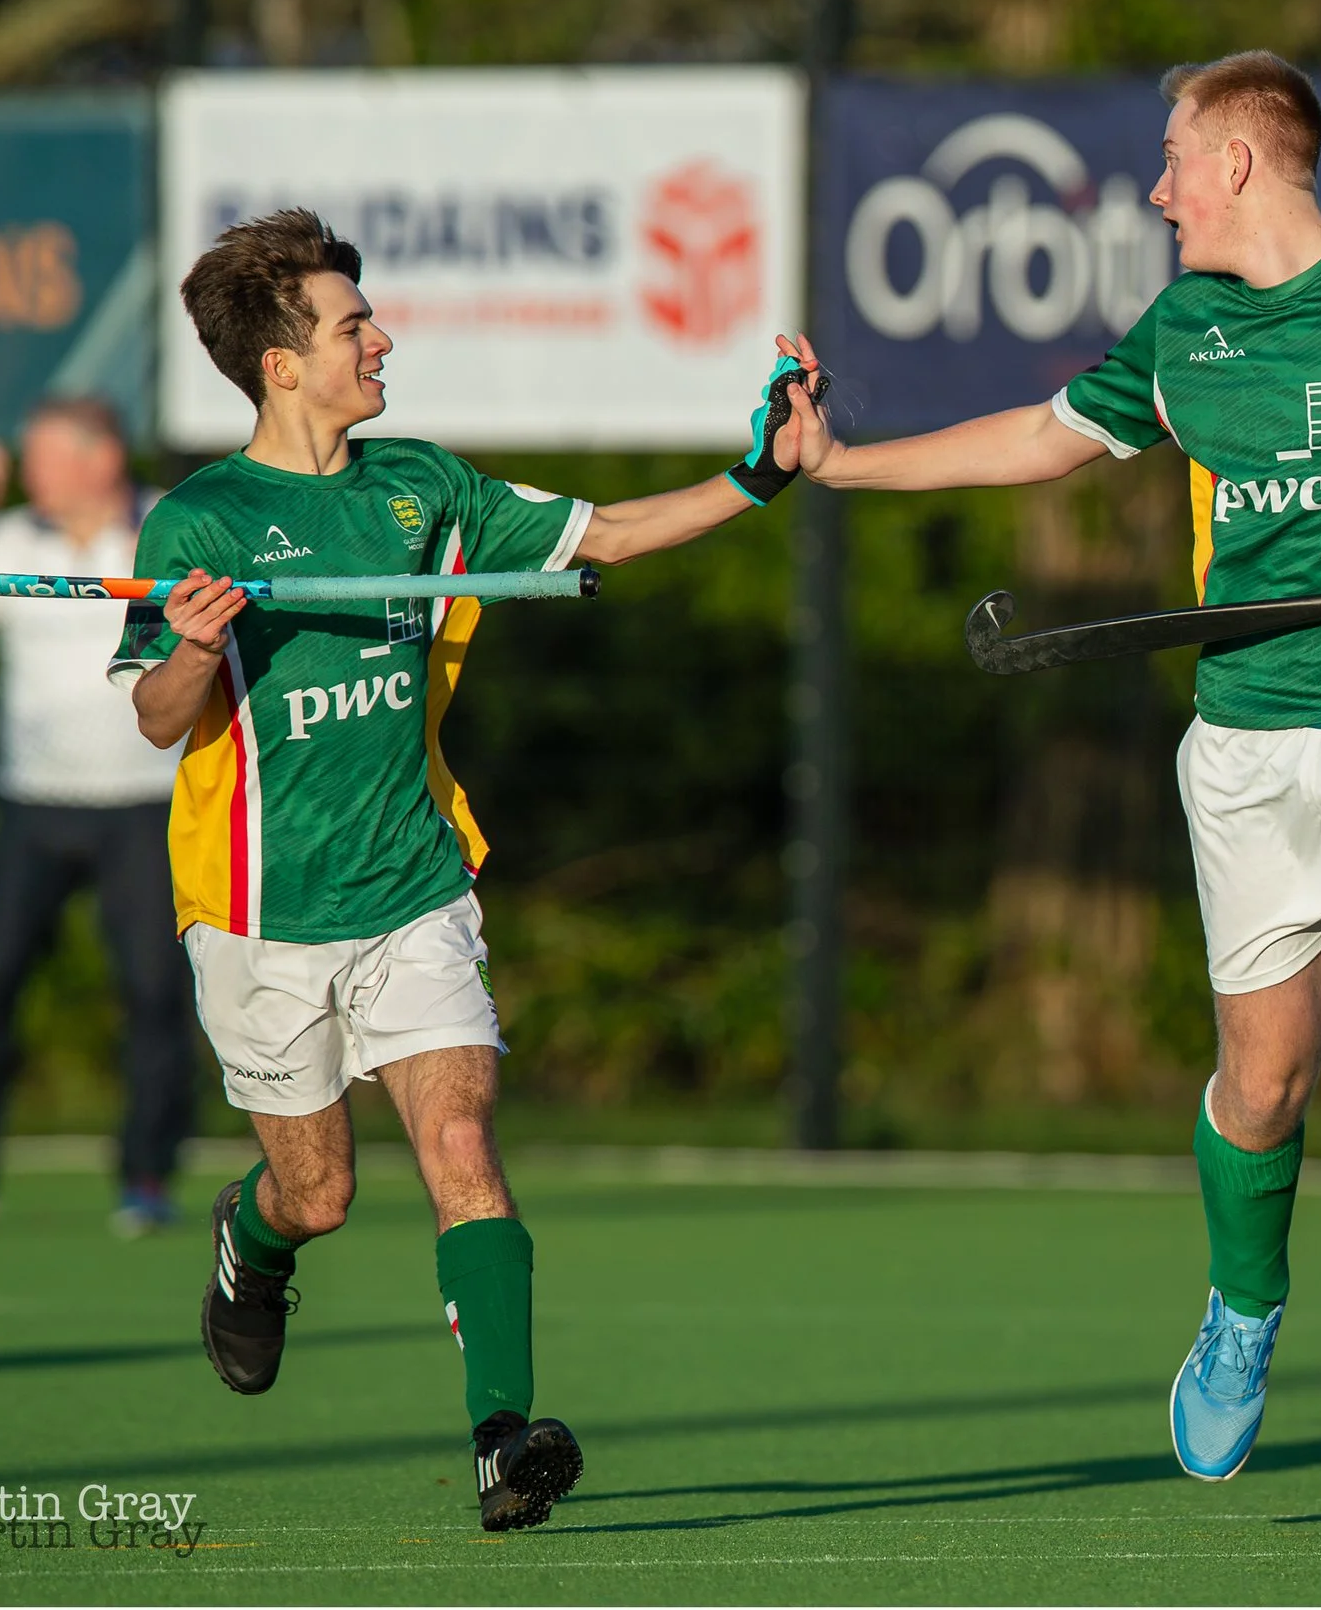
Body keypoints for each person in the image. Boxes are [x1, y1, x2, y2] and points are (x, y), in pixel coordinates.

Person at [781, 51, 1321, 1518]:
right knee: (1266, 1081)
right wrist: (842, 463)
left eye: (1176, 157)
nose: (1157, 186)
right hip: (1247, 740)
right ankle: (1244, 1309)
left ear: (1242, 162)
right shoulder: (1185, 325)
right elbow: (1042, 438)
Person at [109, 208, 811, 1533]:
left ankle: (504, 1438)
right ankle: (253, 1242)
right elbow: (157, 714)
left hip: (416, 888)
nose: (382, 339)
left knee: (463, 1141)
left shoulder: (422, 487)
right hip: (260, 914)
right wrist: (195, 644)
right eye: (351, 324)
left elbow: (604, 533)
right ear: (279, 361)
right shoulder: (200, 517)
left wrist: (759, 476)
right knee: (318, 1189)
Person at [0, 398, 196, 1238]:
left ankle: (147, 1177)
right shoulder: (8, 539)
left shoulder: (163, 534)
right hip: (31, 809)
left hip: (145, 810)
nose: (29, 476)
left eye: (40, 457)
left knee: (152, 993)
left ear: (100, 457)